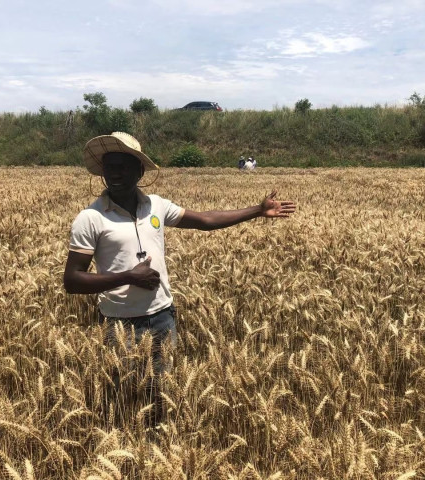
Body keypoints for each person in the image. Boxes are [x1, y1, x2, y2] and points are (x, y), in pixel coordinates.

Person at [63, 132, 296, 424]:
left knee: (163, 392)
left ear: (140, 171)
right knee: (124, 395)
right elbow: (72, 280)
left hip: (162, 317)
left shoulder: (157, 206)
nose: (115, 173)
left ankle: (158, 445)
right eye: (110, 166)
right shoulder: (91, 218)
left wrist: (257, 211)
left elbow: (205, 221)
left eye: (123, 165)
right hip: (119, 323)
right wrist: (127, 277)